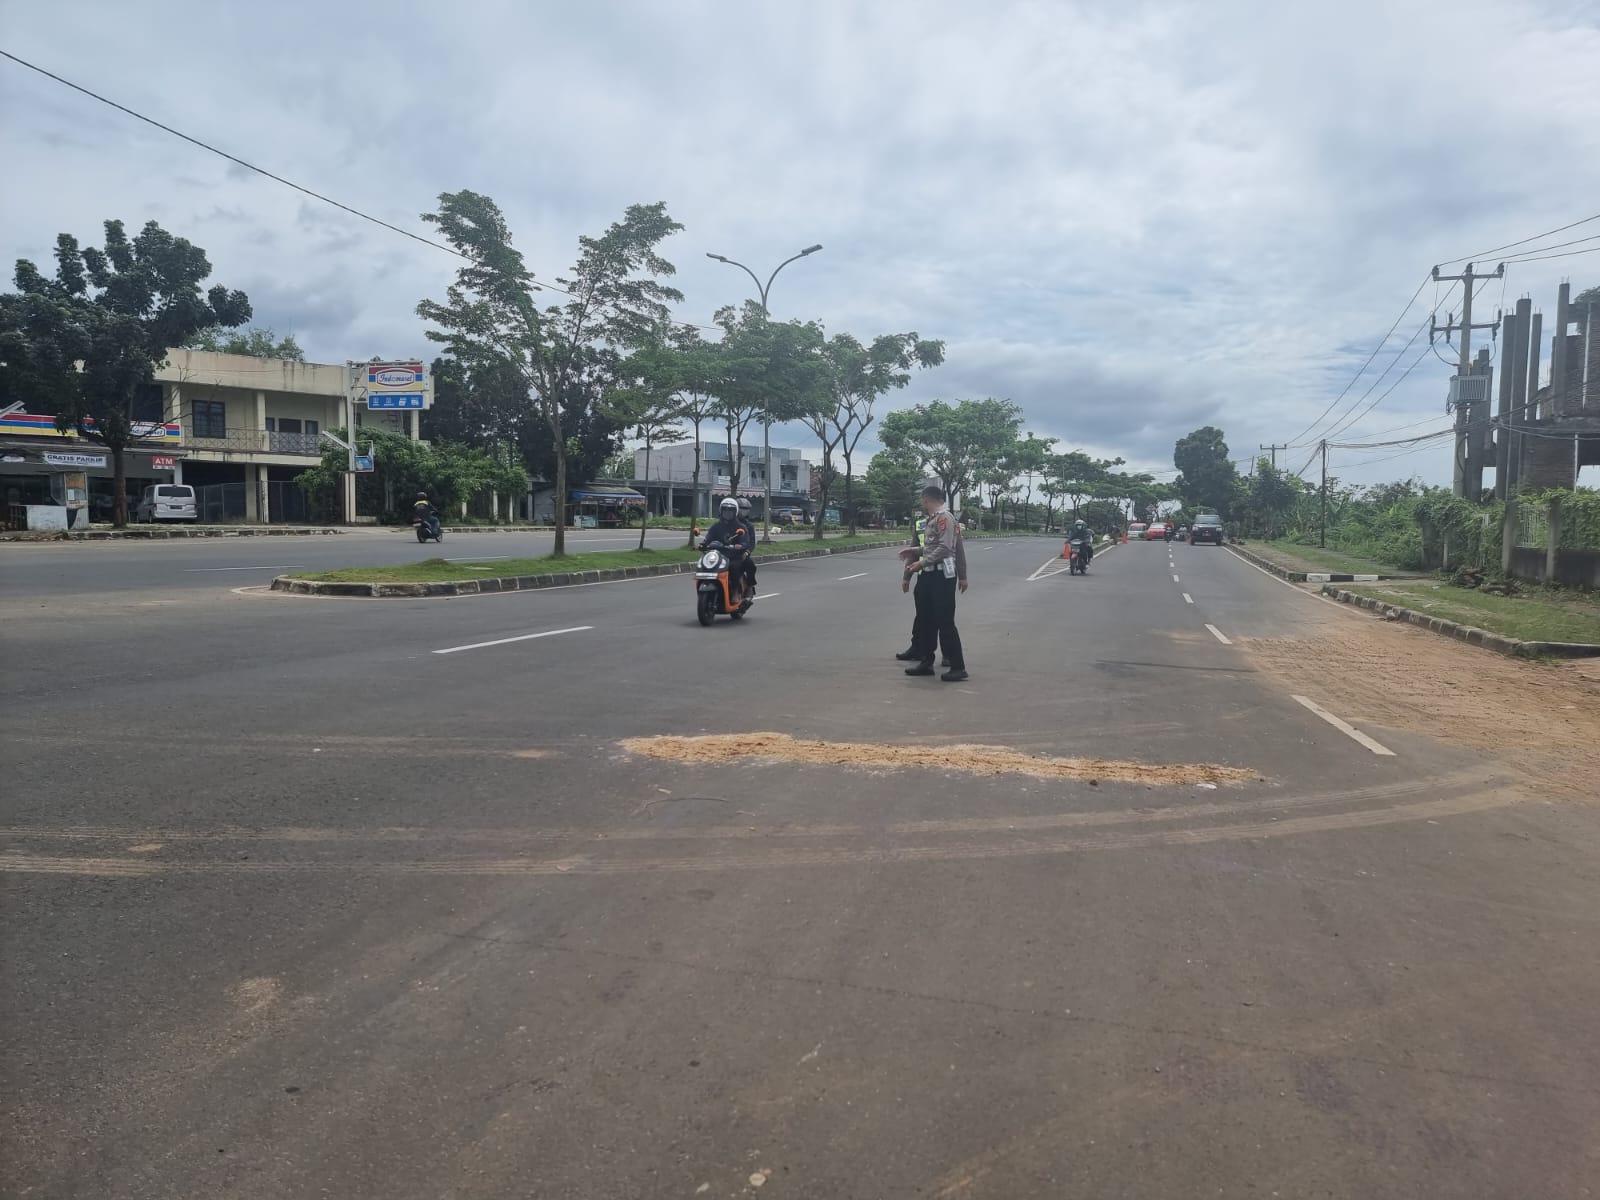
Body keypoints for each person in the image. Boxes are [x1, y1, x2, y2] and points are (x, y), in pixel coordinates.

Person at [903, 485, 968, 682]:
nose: (922, 503)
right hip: (928, 576)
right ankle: (926, 661)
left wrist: (920, 562)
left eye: (922, 500)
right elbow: (931, 546)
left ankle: (957, 666)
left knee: (944, 621)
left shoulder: (945, 518)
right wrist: (914, 551)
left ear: (926, 499)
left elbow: (946, 549)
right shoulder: (932, 520)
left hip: (941, 577)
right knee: (926, 620)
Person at [701, 498, 754, 595]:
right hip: (718, 555)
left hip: (735, 556)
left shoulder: (741, 527)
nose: (728, 512)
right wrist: (703, 544)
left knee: (735, 567)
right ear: (721, 510)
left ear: (735, 512)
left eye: (731, 510)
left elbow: (746, 542)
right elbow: (709, 537)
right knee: (705, 565)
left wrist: (740, 546)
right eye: (725, 509)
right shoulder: (716, 526)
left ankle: (735, 592)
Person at [735, 496, 758, 595]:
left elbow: (752, 542)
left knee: (750, 566)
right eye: (741, 508)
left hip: (740, 553)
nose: (743, 511)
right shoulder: (726, 522)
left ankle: (749, 585)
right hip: (725, 551)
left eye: (746, 509)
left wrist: (747, 551)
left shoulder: (749, 526)